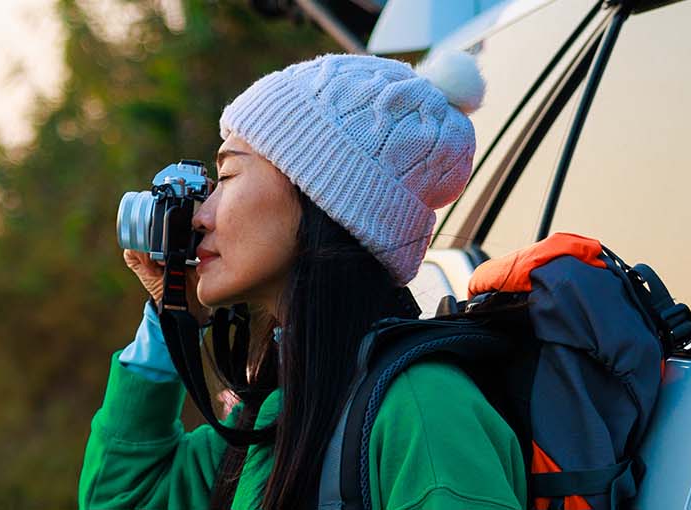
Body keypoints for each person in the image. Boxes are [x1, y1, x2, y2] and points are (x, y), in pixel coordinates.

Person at [77, 52, 525, 509]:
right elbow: (124, 499)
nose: (201, 217)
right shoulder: (275, 418)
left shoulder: (425, 413)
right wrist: (169, 313)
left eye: (227, 175)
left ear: (323, 196)